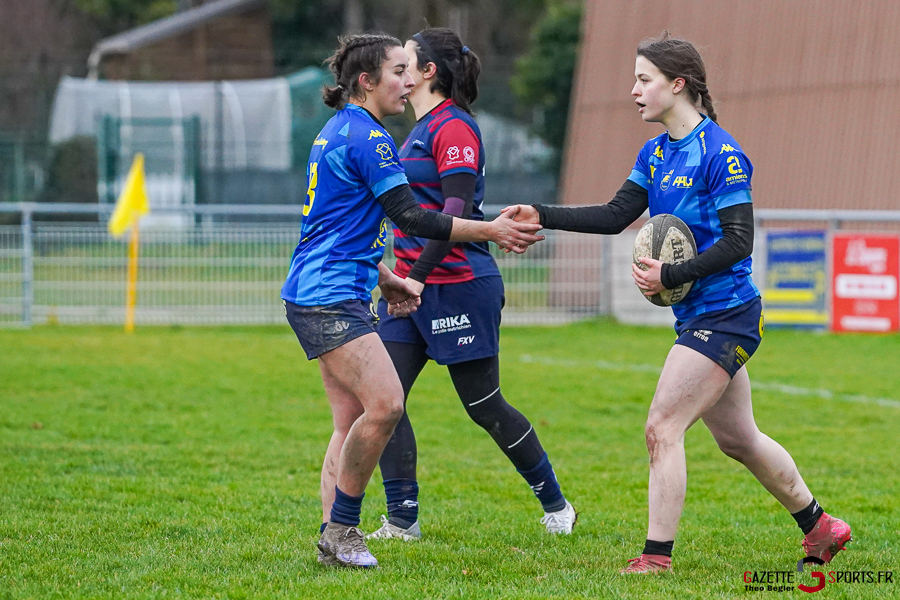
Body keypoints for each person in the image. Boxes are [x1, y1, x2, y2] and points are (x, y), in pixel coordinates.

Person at [504, 32, 851, 573]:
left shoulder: (723, 155)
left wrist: (672, 273)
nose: (634, 91)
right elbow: (617, 214)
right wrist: (542, 214)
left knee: (661, 427)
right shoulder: (656, 152)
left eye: (644, 80)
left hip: (728, 314)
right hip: (700, 315)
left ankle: (656, 558)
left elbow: (741, 241)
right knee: (740, 439)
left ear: (677, 85)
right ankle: (822, 527)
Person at [281, 32, 544, 569]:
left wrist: (384, 278)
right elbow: (416, 218)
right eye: (397, 71)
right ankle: (344, 532)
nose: (408, 81)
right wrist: (490, 231)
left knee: (350, 418)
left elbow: (332, 228)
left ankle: (333, 533)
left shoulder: (335, 130)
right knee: (387, 404)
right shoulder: (371, 139)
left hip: (324, 289)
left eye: (409, 69)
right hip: (330, 299)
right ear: (366, 81)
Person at [362, 28, 576, 543]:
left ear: (428, 71)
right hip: (411, 290)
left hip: (459, 286)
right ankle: (402, 519)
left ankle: (557, 505)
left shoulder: (453, 127)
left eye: (407, 61)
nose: (399, 68)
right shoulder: (412, 131)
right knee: (384, 399)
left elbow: (455, 212)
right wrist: (402, 279)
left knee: (483, 405)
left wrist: (414, 277)